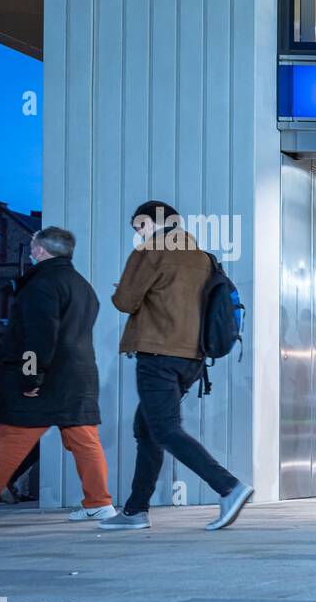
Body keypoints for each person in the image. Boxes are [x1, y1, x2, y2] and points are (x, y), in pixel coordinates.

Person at [99, 201, 252, 531]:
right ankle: (135, 510)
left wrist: (124, 288)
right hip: (193, 359)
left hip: (157, 354)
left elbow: (125, 302)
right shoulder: (201, 256)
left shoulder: (151, 250)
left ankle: (228, 486)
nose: (137, 233)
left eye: (139, 226)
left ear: (152, 223)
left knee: (165, 429)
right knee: (147, 429)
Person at [0, 228, 115, 524]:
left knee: (8, 439)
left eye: (31, 246)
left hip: (45, 378)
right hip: (78, 376)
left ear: (41, 251)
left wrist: (31, 377)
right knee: (84, 439)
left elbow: (38, 336)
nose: (29, 251)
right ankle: (99, 503)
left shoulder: (41, 284)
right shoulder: (81, 285)